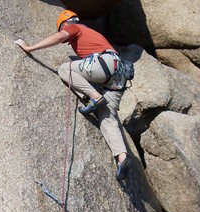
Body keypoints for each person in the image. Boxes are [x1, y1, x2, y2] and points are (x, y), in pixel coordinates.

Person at [15, 10, 133, 180]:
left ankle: (94, 96)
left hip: (104, 64)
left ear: (65, 23)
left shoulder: (75, 28)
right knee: (107, 115)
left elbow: (59, 37)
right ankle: (122, 158)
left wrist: (30, 47)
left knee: (65, 69)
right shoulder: (93, 34)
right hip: (118, 74)